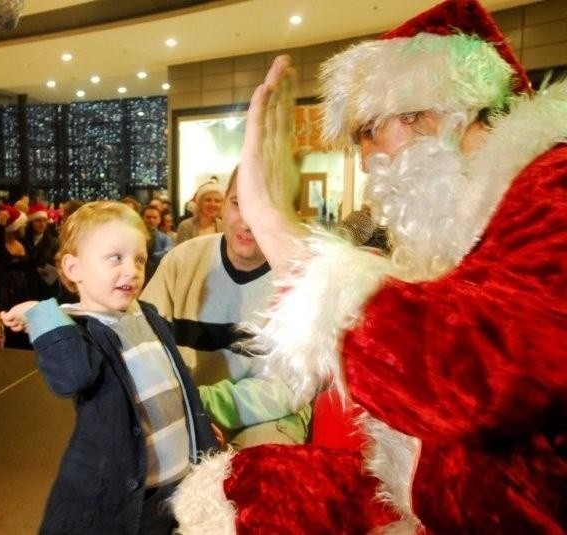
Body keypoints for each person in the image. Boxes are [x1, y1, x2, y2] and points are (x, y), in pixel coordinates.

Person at [174, 0, 567, 532]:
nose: (364, 157)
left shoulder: (553, 186)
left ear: (425, 113)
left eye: (368, 132)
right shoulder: (466, 230)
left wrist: (272, 220)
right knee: (236, 490)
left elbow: (471, 377)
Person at [0, 201, 216, 534]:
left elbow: (178, 381)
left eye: (139, 259)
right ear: (73, 269)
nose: (132, 270)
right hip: (135, 497)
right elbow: (72, 374)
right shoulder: (78, 327)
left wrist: (199, 428)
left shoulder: (147, 315)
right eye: (115, 258)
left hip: (181, 484)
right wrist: (40, 312)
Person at [142, 169, 310, 449]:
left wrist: (200, 402)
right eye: (238, 203)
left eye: (264, 210)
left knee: (260, 473)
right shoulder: (183, 260)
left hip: (264, 417)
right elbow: (143, 343)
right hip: (188, 411)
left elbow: (287, 389)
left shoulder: (303, 283)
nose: (247, 223)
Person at [0, 204, 39, 349]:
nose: (23, 228)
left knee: (32, 336)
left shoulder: (23, 243)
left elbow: (32, 266)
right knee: (14, 337)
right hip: (9, 298)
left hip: (29, 295)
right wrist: (0, 227)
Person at [25, 202, 60, 300]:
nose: (42, 224)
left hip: (46, 290)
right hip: (27, 289)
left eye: (45, 220)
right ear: (31, 222)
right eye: (38, 220)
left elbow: (57, 266)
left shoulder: (53, 243)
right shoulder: (23, 241)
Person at [140, 205, 173, 282]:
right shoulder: (134, 237)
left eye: (154, 217)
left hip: (159, 276)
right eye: (148, 217)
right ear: (142, 218)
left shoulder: (165, 238)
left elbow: (168, 253)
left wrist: (152, 256)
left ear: (159, 220)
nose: (151, 220)